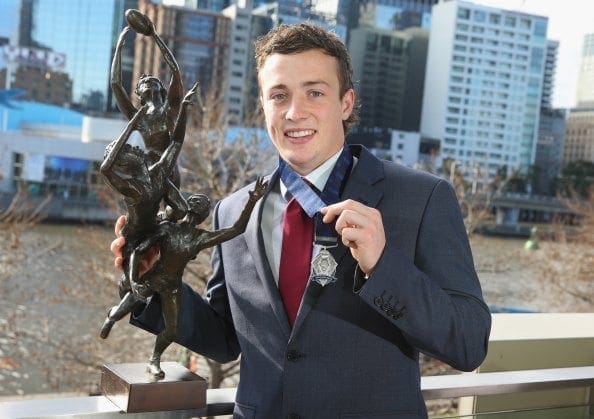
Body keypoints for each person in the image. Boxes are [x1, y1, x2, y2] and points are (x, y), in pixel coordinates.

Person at [111, 23, 491, 418]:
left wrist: (383, 265)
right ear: (264, 106)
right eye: (279, 95)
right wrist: (154, 282)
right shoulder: (234, 210)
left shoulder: (423, 198)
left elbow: (468, 342)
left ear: (346, 103)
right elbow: (226, 337)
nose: (294, 112)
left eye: (314, 92)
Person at [102, 179, 267, 378]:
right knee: (125, 306)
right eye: (196, 201)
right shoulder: (167, 229)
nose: (199, 205)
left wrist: (252, 201)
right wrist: (134, 277)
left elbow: (235, 230)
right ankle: (112, 316)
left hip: (172, 286)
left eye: (204, 205)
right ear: (188, 205)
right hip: (154, 277)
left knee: (171, 330)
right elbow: (138, 251)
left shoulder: (200, 238)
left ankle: (155, 359)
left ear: (204, 215)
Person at [100, 83, 198, 339]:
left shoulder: (159, 173)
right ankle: (114, 314)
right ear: (126, 163)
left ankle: (118, 312)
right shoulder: (131, 187)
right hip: (135, 234)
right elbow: (105, 168)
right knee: (136, 280)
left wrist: (185, 108)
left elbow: (176, 142)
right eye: (128, 152)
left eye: (133, 149)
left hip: (157, 226)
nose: (135, 150)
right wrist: (132, 124)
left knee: (154, 277)